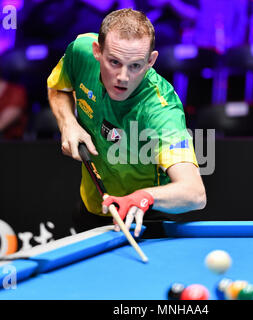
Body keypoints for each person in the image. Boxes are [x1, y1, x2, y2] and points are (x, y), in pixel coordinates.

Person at [47, 8, 206, 237]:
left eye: (135, 66)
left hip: (145, 217)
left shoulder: (161, 110)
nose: (123, 76)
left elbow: (194, 194)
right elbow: (58, 87)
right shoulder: (80, 52)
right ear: (97, 51)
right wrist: (68, 123)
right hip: (92, 207)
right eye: (114, 62)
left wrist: (142, 197)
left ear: (150, 61)